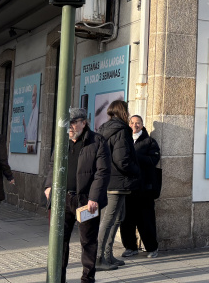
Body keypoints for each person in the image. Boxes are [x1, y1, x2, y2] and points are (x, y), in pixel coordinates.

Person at [44, 108, 111, 283]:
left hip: (85, 200)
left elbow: (102, 172)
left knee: (88, 242)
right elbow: (52, 165)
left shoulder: (97, 141)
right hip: (62, 199)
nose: (71, 126)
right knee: (59, 241)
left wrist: (94, 198)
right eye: (68, 123)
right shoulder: (61, 140)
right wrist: (49, 185)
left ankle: (87, 279)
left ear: (84, 122)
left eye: (74, 122)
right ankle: (58, 278)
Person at [96, 100, 140, 270]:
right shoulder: (122, 130)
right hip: (117, 182)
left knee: (116, 219)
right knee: (109, 220)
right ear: (123, 111)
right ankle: (99, 258)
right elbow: (122, 159)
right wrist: (136, 170)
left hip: (108, 180)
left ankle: (108, 255)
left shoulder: (104, 128)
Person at [119, 115, 161, 259]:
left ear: (142, 125)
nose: (135, 125)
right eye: (132, 123)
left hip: (144, 188)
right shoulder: (123, 140)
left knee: (146, 219)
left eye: (138, 123)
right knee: (127, 220)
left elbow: (154, 159)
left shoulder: (149, 141)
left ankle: (152, 248)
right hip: (128, 187)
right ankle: (130, 247)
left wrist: (135, 157)